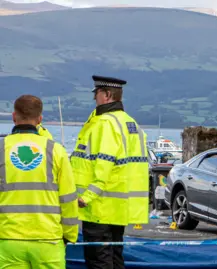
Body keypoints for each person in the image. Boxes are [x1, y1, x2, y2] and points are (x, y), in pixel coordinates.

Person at [70, 75, 149, 269]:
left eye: (96, 93)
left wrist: (87, 197)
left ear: (106, 95)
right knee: (115, 259)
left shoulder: (105, 123)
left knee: (99, 261)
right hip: (119, 208)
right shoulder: (131, 124)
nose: (94, 98)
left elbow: (104, 164)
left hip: (99, 207)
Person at [0, 95, 79, 268]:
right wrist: (69, 235)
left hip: (9, 240)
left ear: (14, 116)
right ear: (40, 119)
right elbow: (68, 198)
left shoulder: (1, 149)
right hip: (48, 240)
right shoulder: (55, 150)